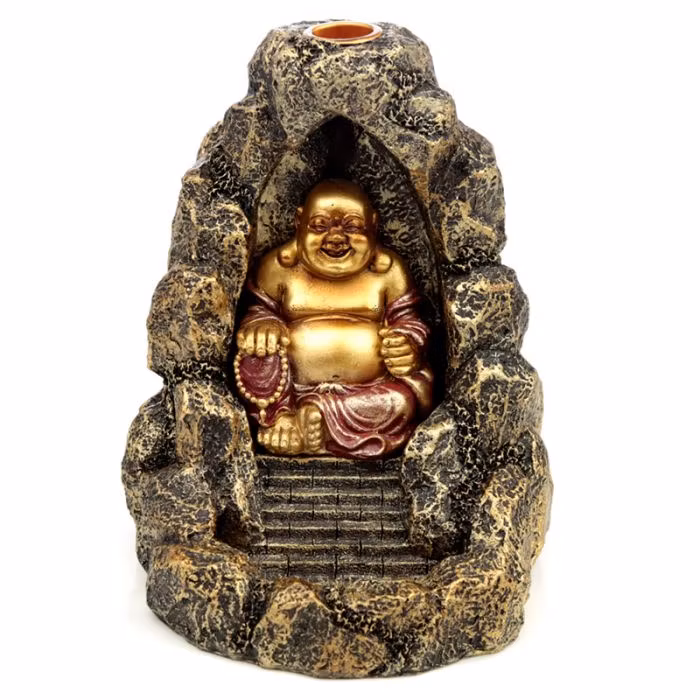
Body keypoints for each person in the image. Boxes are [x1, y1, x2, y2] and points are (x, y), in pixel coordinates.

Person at [234, 179, 433, 459]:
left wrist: (407, 345)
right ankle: (281, 419)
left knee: (401, 402)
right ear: (299, 223)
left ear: (373, 226)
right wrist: (262, 325)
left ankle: (314, 420)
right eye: (319, 225)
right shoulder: (278, 268)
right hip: (291, 391)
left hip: (369, 391)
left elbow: (409, 321)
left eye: (353, 227)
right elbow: (258, 311)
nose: (336, 238)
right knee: (256, 354)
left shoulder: (389, 272)